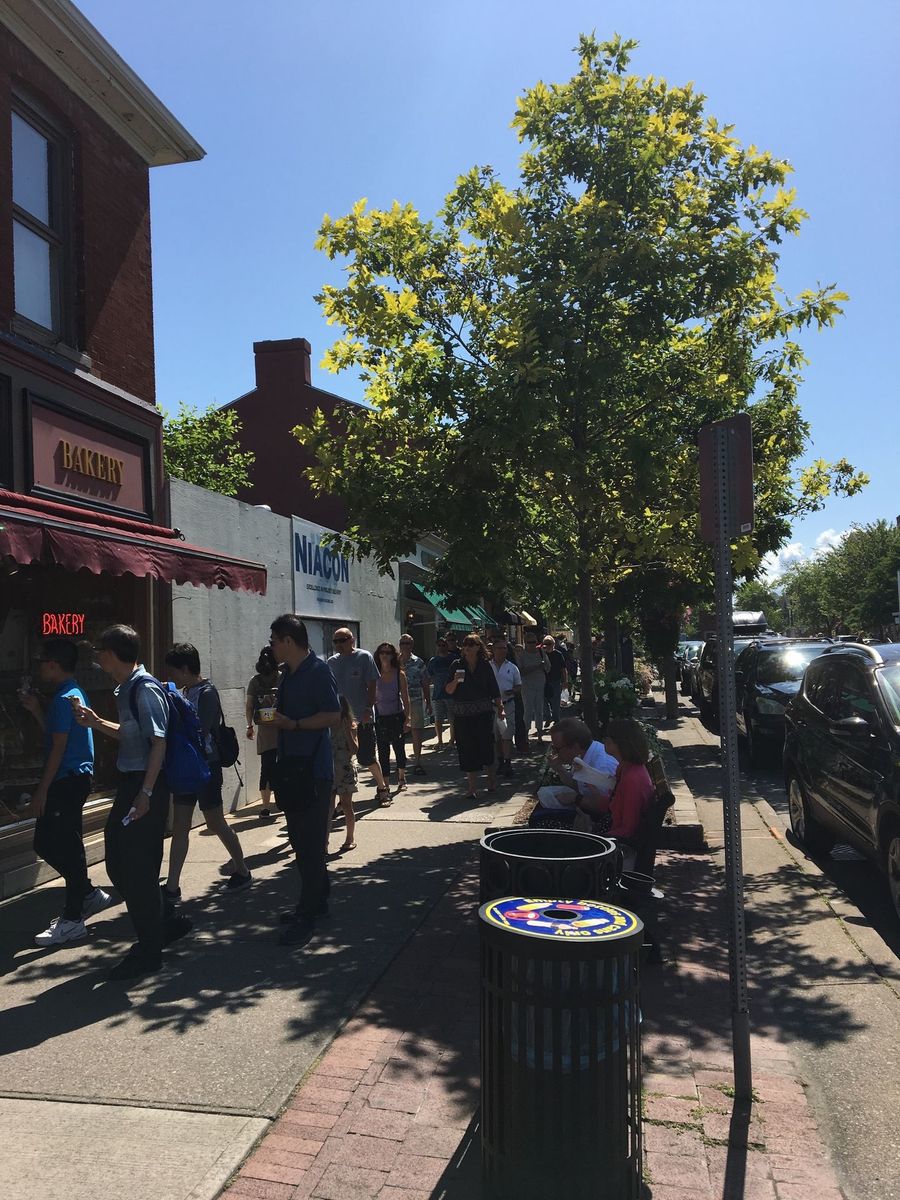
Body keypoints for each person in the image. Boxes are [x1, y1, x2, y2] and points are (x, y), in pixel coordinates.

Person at [73, 624, 170, 980]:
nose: (97, 658)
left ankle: (150, 949)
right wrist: (96, 722)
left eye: (100, 651)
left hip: (145, 786)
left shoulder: (145, 689)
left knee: (133, 867)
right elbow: (133, 735)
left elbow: (159, 742)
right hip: (134, 784)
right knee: (120, 860)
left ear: (112, 654)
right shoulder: (127, 688)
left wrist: (145, 794)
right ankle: (162, 923)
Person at [21, 637, 111, 948]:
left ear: (53, 665)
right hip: (73, 778)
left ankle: (74, 917)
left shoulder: (63, 698)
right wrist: (37, 711)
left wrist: (42, 790)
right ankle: (85, 894)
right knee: (56, 842)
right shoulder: (72, 693)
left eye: (42, 663)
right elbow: (57, 738)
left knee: (60, 844)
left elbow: (58, 748)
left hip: (67, 779)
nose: (39, 669)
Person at [269, 614, 341, 946]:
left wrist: (294, 724)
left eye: (274, 640)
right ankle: (318, 900)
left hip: (314, 770)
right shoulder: (286, 675)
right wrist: (271, 716)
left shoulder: (319, 670)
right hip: (290, 768)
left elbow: (333, 715)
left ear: (288, 641)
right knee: (300, 841)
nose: (271, 646)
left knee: (310, 844)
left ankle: (307, 913)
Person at [162, 643, 251, 905]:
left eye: (173, 671)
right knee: (180, 826)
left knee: (215, 822)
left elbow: (198, 728)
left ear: (185, 669)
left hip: (206, 766)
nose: (171, 676)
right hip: (185, 765)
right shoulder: (185, 691)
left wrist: (174, 702)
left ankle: (242, 869)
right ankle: (172, 887)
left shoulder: (207, 693)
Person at [328, 629, 390, 805]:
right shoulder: (331, 662)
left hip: (362, 717)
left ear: (352, 640)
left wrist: (368, 708)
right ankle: (344, 799)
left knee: (366, 757)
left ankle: (382, 788)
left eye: (342, 640)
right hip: (340, 720)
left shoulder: (364, 657)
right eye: (335, 641)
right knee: (342, 759)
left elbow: (372, 684)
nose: (339, 644)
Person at [529, 717, 618, 831]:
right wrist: (560, 769)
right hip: (589, 811)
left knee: (540, 820)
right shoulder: (583, 756)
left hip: (602, 822)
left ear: (575, 747)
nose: (555, 752)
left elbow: (605, 808)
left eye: (557, 748)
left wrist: (575, 798)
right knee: (541, 808)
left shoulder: (601, 766)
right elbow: (578, 786)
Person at [445, 634, 503, 799]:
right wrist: (455, 681)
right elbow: (448, 690)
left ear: (478, 647)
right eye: (465, 644)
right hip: (463, 716)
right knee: (466, 750)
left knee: (486, 747)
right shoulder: (457, 665)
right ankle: (472, 788)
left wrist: (500, 707)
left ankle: (491, 780)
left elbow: (494, 689)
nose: (467, 647)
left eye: (471, 644)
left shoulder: (485, 666)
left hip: (483, 714)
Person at [601, 718, 656, 864]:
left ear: (621, 744)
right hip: (611, 832)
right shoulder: (626, 768)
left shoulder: (632, 779)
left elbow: (627, 829)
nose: (604, 740)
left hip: (616, 845)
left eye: (608, 738)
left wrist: (596, 839)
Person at [245, 645, 281, 819]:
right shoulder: (282, 677)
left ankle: (265, 806)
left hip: (264, 730)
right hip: (282, 727)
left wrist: (249, 726)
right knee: (283, 766)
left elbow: (249, 706)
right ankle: (282, 801)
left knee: (266, 767)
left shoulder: (255, 681)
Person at [373, 641, 410, 793]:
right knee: (383, 751)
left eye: (388, 653)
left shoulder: (399, 674)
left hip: (396, 715)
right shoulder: (374, 674)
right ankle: (386, 783)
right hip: (380, 717)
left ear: (393, 655)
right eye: (382, 652)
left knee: (399, 748)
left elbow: (406, 698)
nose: (385, 655)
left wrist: (407, 719)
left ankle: (401, 778)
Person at [488, 637, 522, 778]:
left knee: (507, 735)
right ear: (493, 649)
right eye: (499, 648)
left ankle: (508, 763)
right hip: (491, 707)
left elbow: (519, 686)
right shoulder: (487, 667)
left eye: (504, 648)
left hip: (508, 704)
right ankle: (500, 761)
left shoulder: (512, 667)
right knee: (496, 736)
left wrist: (513, 691)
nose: (502, 651)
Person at [399, 634, 431, 773]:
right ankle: (401, 763)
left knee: (417, 731)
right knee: (399, 733)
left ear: (412, 645)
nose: (405, 646)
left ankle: (417, 761)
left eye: (408, 643)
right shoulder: (395, 661)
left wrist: (428, 701)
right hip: (398, 702)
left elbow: (425, 682)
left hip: (416, 700)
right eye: (403, 643)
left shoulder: (418, 662)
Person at [331, 695, 358, 852]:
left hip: (345, 768)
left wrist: (347, 730)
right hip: (330, 768)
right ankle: (324, 842)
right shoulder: (326, 725)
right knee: (329, 807)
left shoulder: (351, 725)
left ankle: (350, 837)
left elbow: (354, 750)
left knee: (347, 805)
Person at [518, 631, 550, 745]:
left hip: (540, 685)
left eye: (534, 642)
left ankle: (540, 736)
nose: (532, 644)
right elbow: (520, 672)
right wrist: (536, 667)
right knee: (528, 711)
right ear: (525, 643)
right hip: (527, 686)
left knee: (539, 711)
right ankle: (526, 736)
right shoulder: (521, 655)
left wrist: (544, 666)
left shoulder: (541, 653)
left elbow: (548, 667)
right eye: (529, 642)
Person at [427, 636, 456, 746]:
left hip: (451, 694)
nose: (441, 647)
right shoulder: (433, 661)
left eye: (444, 645)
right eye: (439, 645)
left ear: (447, 646)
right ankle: (439, 741)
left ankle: (452, 740)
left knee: (452, 719)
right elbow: (429, 676)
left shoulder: (453, 659)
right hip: (437, 694)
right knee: (438, 718)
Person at [542, 635, 569, 729]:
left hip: (556, 681)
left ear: (553, 644)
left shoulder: (558, 654)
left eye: (549, 643)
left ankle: (556, 719)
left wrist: (565, 681)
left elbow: (563, 669)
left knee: (555, 702)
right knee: (543, 702)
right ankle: (548, 718)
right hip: (543, 681)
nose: (547, 645)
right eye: (545, 643)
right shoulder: (541, 654)